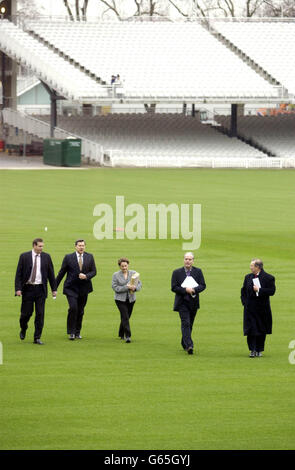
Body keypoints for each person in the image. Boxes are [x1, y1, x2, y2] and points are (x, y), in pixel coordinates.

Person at [15, 238, 57, 345]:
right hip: (28, 289)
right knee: (26, 314)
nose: (41, 248)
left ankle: (37, 337)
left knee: (40, 314)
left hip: (41, 289)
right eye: (39, 246)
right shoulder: (24, 256)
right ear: (34, 245)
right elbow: (18, 274)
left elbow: (51, 274)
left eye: (42, 246)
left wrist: (54, 289)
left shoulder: (46, 257)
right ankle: (23, 328)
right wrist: (18, 289)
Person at [56, 240, 97, 340]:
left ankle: (77, 332)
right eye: (79, 246)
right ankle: (71, 332)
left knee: (80, 310)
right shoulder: (68, 257)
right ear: (75, 246)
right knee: (73, 308)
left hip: (84, 288)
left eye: (83, 246)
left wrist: (86, 276)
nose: (81, 247)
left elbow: (94, 271)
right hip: (71, 288)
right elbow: (62, 272)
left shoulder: (89, 257)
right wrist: (54, 287)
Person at [171, 252, 206, 355]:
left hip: (193, 302)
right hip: (182, 302)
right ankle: (189, 345)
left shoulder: (198, 271)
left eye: (190, 259)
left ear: (193, 261)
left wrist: (194, 290)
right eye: (186, 259)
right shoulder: (176, 272)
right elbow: (174, 287)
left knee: (190, 324)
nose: (188, 261)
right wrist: (185, 290)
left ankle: (184, 341)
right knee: (185, 323)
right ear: (183, 260)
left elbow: (203, 285)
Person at [241, 258, 276, 357]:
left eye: (252, 266)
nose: (250, 267)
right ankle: (252, 349)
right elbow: (243, 291)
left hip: (262, 309)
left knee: (261, 329)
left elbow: (272, 291)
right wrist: (244, 303)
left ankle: (259, 349)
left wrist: (259, 290)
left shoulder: (269, 278)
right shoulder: (248, 277)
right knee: (251, 329)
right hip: (249, 309)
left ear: (258, 267)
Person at [112, 258, 142, 343]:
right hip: (120, 300)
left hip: (131, 299)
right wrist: (126, 287)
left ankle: (121, 333)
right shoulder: (115, 275)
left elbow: (139, 284)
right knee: (125, 316)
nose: (124, 267)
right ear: (119, 266)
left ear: (128, 265)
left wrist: (135, 288)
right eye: (122, 266)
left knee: (126, 317)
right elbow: (115, 288)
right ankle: (128, 335)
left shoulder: (133, 273)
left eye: (125, 266)